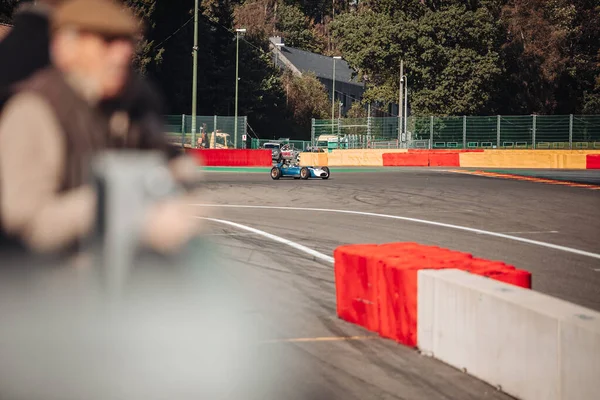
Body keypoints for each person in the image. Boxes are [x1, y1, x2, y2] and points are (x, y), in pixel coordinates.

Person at [0, 0, 201, 259]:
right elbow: (26, 224)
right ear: (65, 48)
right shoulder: (35, 111)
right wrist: (122, 205)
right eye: (107, 41)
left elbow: (169, 161)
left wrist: (178, 180)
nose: (123, 53)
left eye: (126, 41)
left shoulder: (132, 103)